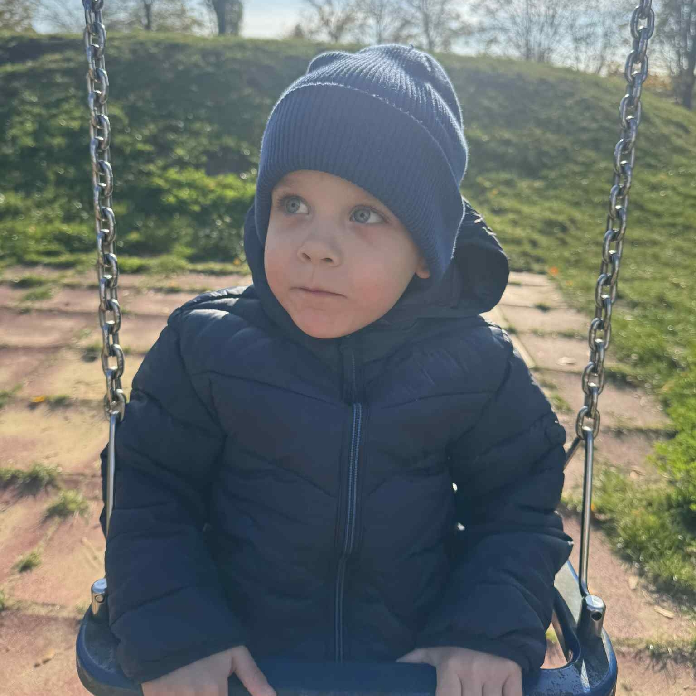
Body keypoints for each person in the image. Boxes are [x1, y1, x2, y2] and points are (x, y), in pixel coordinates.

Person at [100, 44, 573, 696]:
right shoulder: (205, 348)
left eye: (364, 214)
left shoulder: (479, 366)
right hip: (246, 665)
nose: (316, 247)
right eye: (293, 204)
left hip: (407, 668)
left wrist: (482, 629)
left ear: (427, 252)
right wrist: (178, 633)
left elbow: (517, 512)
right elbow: (148, 493)